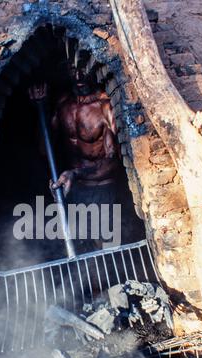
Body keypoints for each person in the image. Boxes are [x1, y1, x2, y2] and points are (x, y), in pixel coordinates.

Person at [29, 61, 122, 251]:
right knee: (79, 246)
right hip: (72, 190)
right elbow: (44, 149)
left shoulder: (105, 106)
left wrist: (76, 174)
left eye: (83, 70)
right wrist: (42, 107)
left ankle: (107, 279)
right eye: (73, 70)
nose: (79, 77)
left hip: (101, 188)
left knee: (104, 247)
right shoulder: (63, 105)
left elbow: (114, 160)